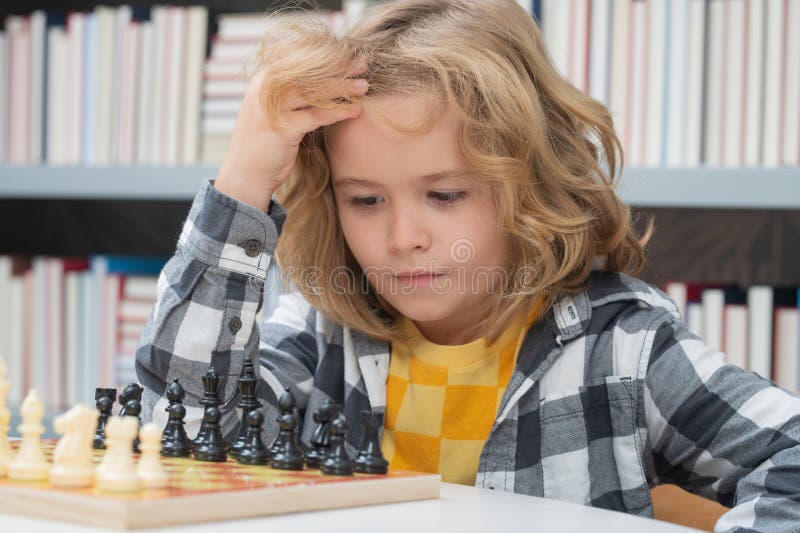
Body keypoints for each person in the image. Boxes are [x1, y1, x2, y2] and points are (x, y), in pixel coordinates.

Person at [135, 0, 800, 530]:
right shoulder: (320, 332)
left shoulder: (625, 350)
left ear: (532, 183)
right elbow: (182, 429)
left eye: (445, 194)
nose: (403, 237)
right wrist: (247, 173)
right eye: (364, 199)